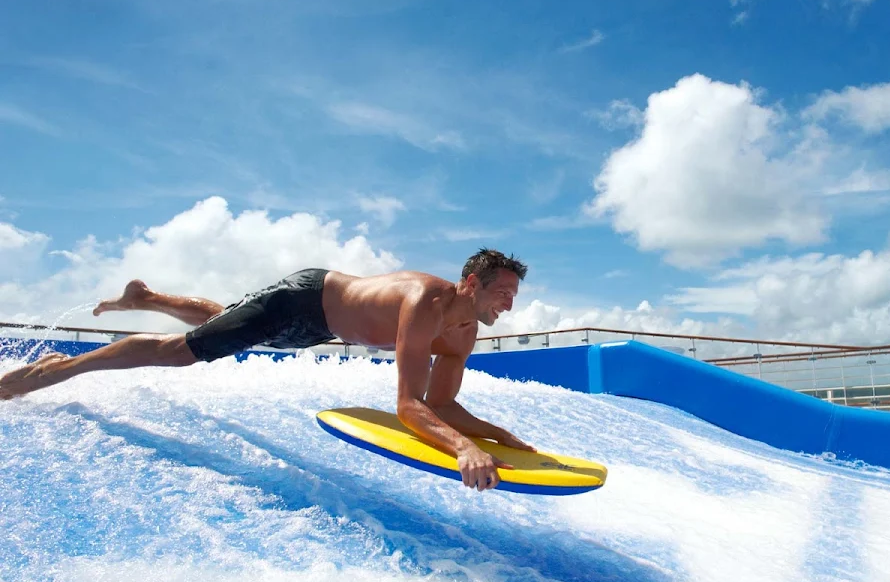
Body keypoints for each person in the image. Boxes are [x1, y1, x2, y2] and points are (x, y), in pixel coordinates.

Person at [0, 249, 532, 492]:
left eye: (513, 295)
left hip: (323, 326)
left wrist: (499, 436)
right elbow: (408, 406)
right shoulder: (427, 303)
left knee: (230, 323)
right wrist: (464, 448)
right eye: (501, 292)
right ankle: (60, 369)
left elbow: (441, 406)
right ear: (469, 284)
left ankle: (147, 296)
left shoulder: (464, 333)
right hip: (304, 299)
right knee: (183, 352)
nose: (507, 303)